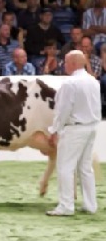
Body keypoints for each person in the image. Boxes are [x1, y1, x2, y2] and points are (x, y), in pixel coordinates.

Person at [46, 50, 102, 216]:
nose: (64, 64)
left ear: (73, 63)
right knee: (85, 167)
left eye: (66, 61)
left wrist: (54, 130)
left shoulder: (69, 83)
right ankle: (90, 205)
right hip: (91, 126)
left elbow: (63, 110)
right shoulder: (93, 81)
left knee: (65, 166)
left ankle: (66, 206)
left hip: (75, 128)